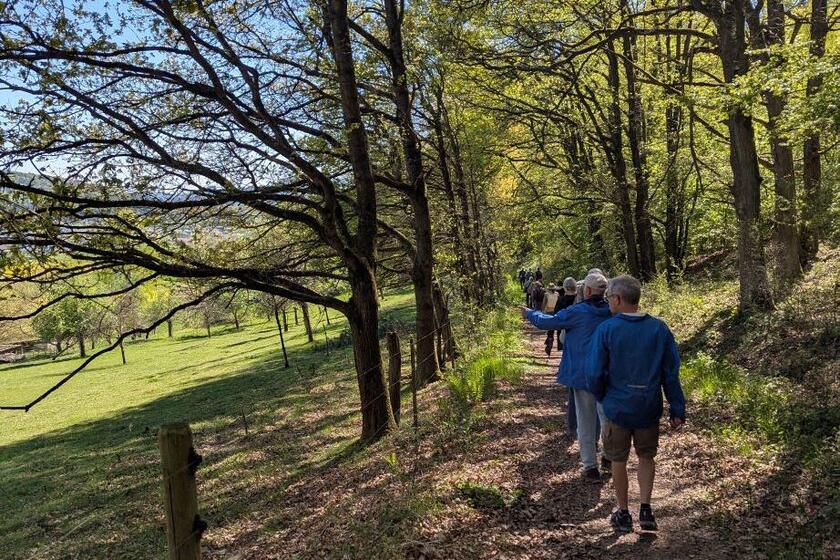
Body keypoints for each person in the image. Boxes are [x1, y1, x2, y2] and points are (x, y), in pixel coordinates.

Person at [587, 275, 686, 533]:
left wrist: (601, 396)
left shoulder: (607, 329)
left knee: (618, 459)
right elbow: (670, 372)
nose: (608, 301)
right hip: (648, 406)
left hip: (617, 408)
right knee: (646, 456)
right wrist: (677, 407)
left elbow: (595, 372)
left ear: (618, 299)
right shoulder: (659, 329)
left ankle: (623, 512)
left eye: (609, 297)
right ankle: (645, 508)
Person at [521, 272, 612, 480]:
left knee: (585, 420)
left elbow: (549, 322)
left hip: (582, 375)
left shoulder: (577, 312)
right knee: (607, 417)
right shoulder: (612, 311)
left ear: (586, 291)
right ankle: (608, 455)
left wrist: (529, 314)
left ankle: (590, 467)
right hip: (608, 375)